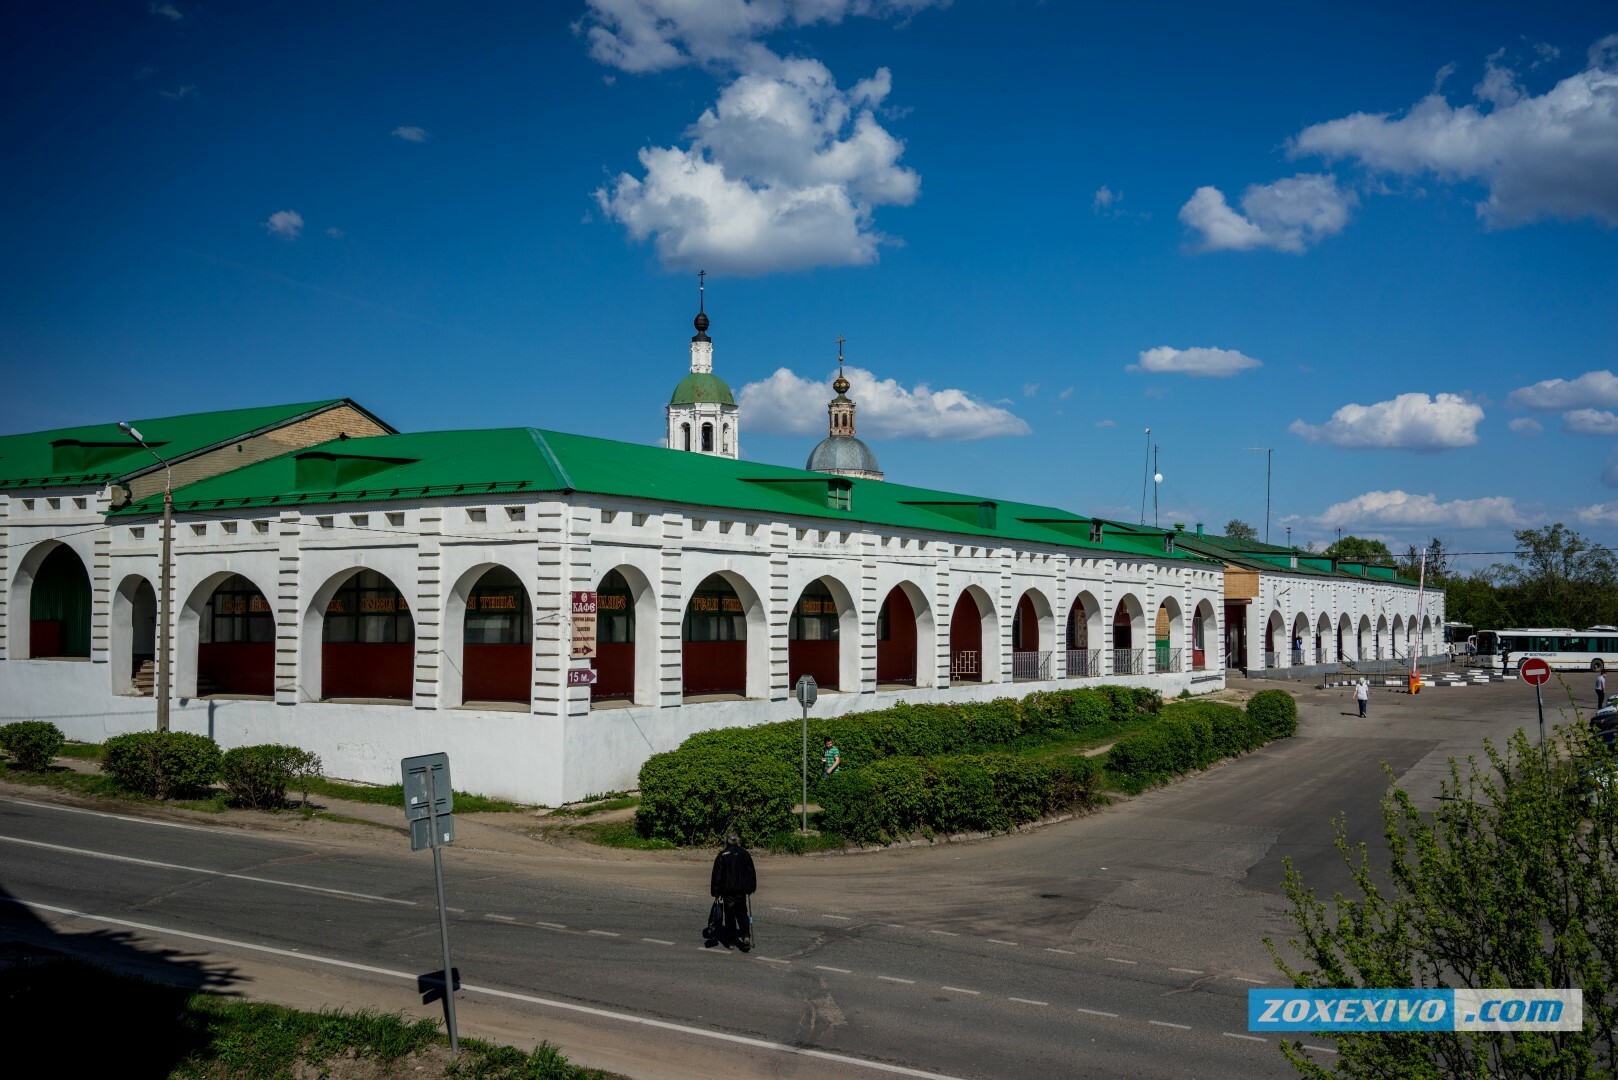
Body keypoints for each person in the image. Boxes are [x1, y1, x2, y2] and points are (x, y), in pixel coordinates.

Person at [709, 831, 756, 951]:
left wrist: (715, 892)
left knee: (729, 916)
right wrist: (751, 887)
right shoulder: (745, 854)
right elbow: (751, 872)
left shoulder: (722, 855)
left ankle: (730, 941)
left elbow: (717, 875)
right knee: (742, 913)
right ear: (737, 840)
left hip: (727, 891)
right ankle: (745, 935)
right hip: (741, 890)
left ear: (728, 841)